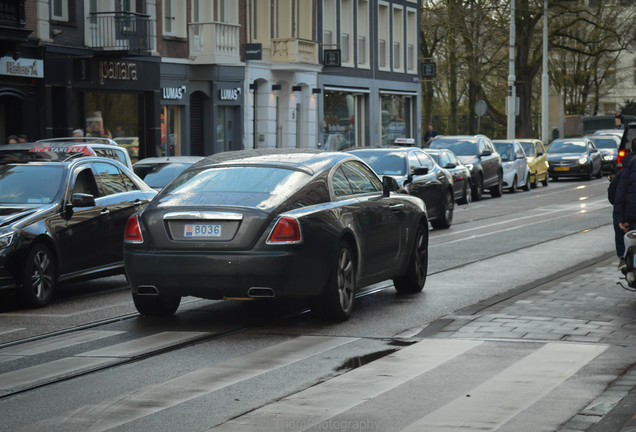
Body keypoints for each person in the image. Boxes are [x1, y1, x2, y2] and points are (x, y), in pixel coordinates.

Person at [611, 139, 636, 269]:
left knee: (616, 220)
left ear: (631, 150)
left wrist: (621, 219)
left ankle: (622, 256)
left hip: (629, 216)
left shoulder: (626, 167)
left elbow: (617, 195)